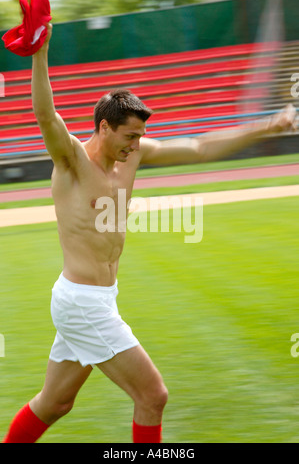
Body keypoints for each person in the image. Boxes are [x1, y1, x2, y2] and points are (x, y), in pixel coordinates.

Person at [2, 23, 297, 444]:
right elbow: (46, 115)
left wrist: (267, 126)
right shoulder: (71, 161)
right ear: (104, 127)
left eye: (140, 136)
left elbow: (200, 148)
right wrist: (40, 52)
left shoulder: (134, 154)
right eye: (130, 136)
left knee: (55, 404)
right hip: (83, 301)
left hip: (93, 298)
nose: (137, 144)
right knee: (152, 395)